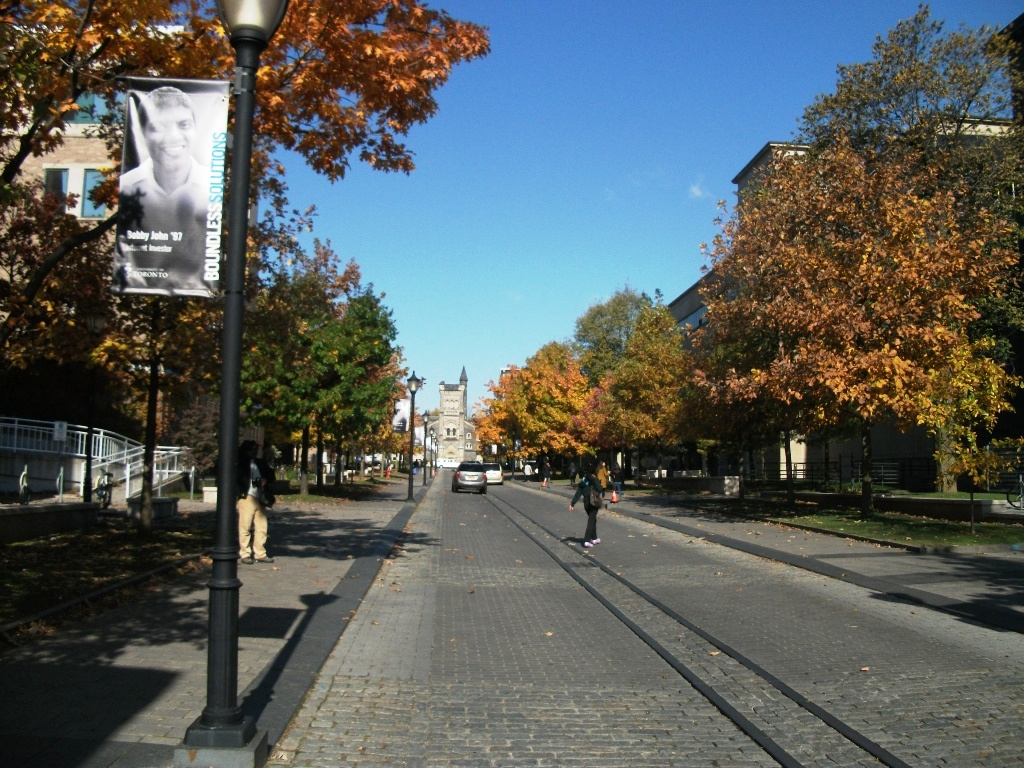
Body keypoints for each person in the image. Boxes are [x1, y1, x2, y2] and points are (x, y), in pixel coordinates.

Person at [116, 86, 210, 295]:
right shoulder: (129, 187)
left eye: (184, 124)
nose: (174, 137)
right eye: (159, 127)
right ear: (143, 133)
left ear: (195, 128)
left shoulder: (211, 189)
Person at [238, 440, 274, 564]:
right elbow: (238, 477)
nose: (254, 452)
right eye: (252, 450)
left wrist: (265, 480)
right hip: (247, 496)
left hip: (260, 496)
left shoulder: (261, 463)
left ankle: (260, 553)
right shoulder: (241, 463)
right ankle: (245, 553)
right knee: (245, 525)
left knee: (262, 526)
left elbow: (271, 476)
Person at [569, 468, 602, 548]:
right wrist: (595, 480)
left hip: (586, 504)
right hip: (593, 503)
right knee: (591, 521)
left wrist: (572, 504)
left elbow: (578, 493)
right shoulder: (594, 481)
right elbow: (600, 489)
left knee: (593, 519)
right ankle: (587, 540)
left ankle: (594, 538)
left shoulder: (583, 483)